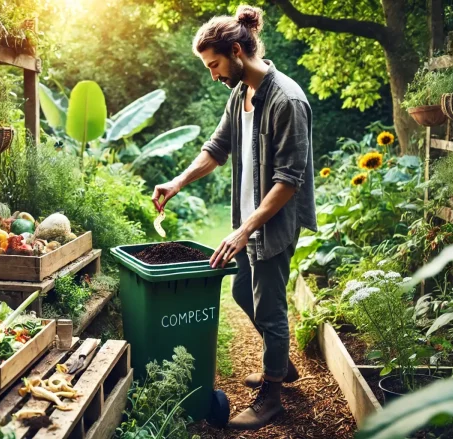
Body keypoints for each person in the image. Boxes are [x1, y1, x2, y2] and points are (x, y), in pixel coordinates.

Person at [151, 5, 317, 430]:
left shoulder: (287, 100)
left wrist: (245, 229)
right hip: (247, 222)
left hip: (272, 223)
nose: (213, 75)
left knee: (270, 308)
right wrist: (177, 182)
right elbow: (216, 148)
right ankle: (280, 364)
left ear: (237, 52)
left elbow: (289, 181)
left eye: (214, 65)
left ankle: (272, 397)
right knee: (244, 292)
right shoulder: (240, 93)